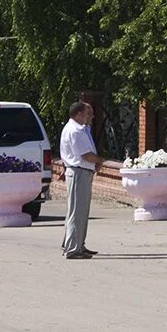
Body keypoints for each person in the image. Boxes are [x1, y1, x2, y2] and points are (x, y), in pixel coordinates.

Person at [60, 100, 104, 260]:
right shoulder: (75, 131)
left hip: (82, 172)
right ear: (79, 114)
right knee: (77, 212)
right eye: (88, 113)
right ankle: (73, 249)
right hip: (78, 172)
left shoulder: (81, 129)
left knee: (80, 212)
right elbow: (85, 155)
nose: (92, 116)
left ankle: (77, 244)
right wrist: (99, 161)